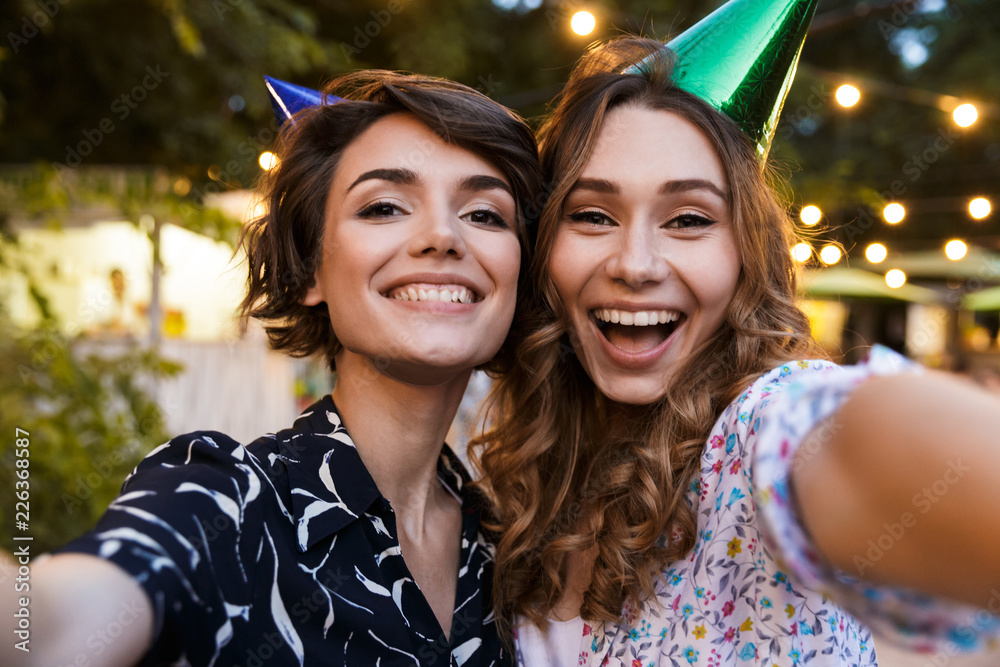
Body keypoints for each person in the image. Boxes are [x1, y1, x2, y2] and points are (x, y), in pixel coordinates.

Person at [469, 5, 1000, 666]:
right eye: (593, 214)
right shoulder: (528, 487)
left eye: (688, 218)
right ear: (545, 245)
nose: (634, 264)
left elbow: (850, 433)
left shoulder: (758, 431)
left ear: (746, 251)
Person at [2, 70, 541, 666]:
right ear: (310, 270)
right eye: (385, 206)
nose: (442, 235)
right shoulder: (225, 501)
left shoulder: (509, 549)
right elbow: (46, 627)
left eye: (486, 215)